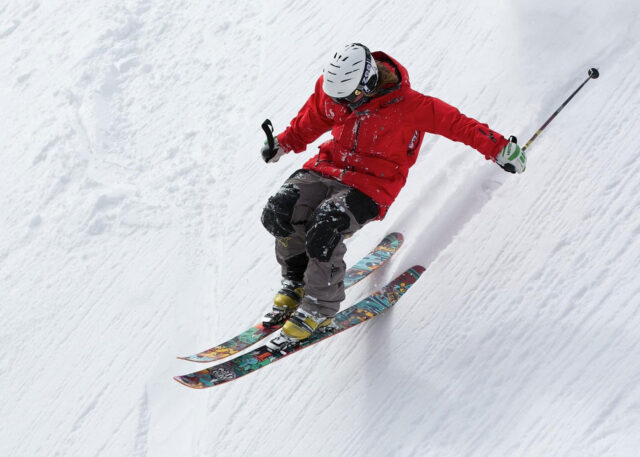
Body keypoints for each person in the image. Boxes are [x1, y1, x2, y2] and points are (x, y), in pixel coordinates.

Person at [260, 43, 526, 351]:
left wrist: (499, 147)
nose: (342, 104)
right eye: (337, 98)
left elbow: (459, 125)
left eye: (348, 98)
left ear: (369, 81)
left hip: (371, 185)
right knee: (279, 211)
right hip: (328, 167)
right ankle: (296, 281)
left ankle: (319, 306)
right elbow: (316, 115)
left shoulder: (411, 106)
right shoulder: (335, 91)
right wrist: (284, 142)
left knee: (324, 227)